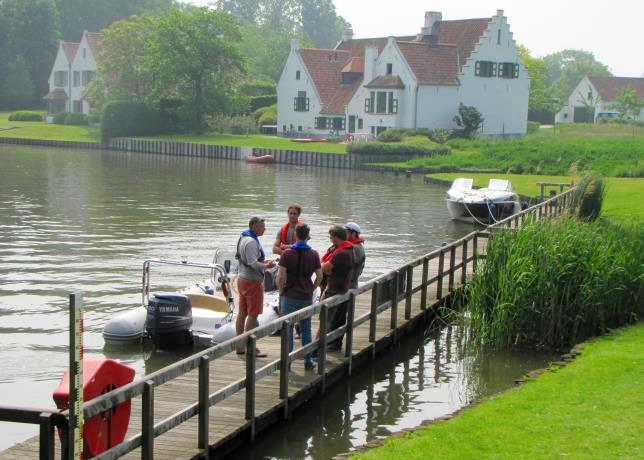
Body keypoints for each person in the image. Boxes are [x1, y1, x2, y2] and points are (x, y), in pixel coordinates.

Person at [276, 223, 322, 370]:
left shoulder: (287, 254)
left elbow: (280, 276)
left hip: (289, 295)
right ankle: (308, 361)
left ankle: (287, 361)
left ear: (296, 235)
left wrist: (281, 291)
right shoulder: (314, 254)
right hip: (306, 296)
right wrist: (312, 288)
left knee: (287, 329)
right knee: (306, 329)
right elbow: (319, 276)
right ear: (307, 236)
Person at [235, 216, 276, 357]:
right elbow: (253, 264)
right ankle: (250, 347)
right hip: (252, 282)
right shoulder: (251, 242)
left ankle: (239, 346)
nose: (264, 229)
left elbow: (247, 259)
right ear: (253, 227)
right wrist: (267, 266)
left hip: (242, 279)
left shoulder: (243, 238)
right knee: (252, 315)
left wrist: (263, 262)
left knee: (242, 312)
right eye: (261, 226)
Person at [316, 225, 353, 352]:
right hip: (341, 288)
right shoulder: (349, 249)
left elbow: (325, 268)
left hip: (334, 290)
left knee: (324, 320)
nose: (330, 239)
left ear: (336, 237)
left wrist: (319, 266)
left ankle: (316, 349)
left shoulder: (341, 253)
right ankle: (324, 345)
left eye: (331, 237)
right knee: (330, 319)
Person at [345, 222, 366, 289]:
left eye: (346, 232)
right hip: (351, 284)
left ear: (353, 234)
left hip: (348, 286)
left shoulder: (353, 248)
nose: (344, 234)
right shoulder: (358, 246)